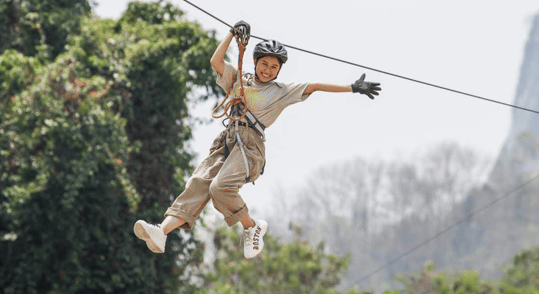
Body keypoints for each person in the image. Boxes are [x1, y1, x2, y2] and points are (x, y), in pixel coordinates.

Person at [134, 21, 381, 258]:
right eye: (264, 64)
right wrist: (232, 34)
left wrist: (352, 87)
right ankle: (161, 231)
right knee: (199, 182)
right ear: (255, 62)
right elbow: (215, 61)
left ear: (279, 70)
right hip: (227, 140)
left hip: (250, 146)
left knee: (220, 188)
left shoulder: (281, 91)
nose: (268, 70)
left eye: (274, 67)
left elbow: (314, 86)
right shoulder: (239, 78)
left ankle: (252, 227)